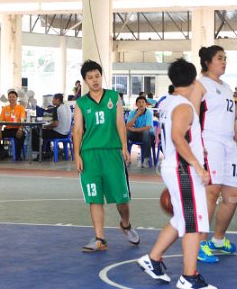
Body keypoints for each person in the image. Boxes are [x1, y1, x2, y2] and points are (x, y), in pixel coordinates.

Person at [137, 58, 216, 289]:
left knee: (181, 219)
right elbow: (178, 138)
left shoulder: (168, 102)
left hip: (177, 167)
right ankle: (189, 278)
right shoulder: (183, 106)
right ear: (193, 79)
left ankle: (153, 259)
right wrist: (198, 166)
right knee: (193, 225)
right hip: (184, 169)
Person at [73, 60, 139, 252]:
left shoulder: (113, 97)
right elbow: (77, 131)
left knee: (121, 198)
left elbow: (120, 123)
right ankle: (100, 238)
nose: (95, 80)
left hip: (112, 153)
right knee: (94, 198)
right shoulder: (81, 103)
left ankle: (125, 224)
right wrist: (77, 155)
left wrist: (125, 146)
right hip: (90, 154)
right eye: (90, 77)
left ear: (102, 76)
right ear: (85, 81)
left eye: (97, 76)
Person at [195, 45, 237, 263]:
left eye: (225, 58)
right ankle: (199, 244)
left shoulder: (225, 87)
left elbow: (230, 116)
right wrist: (197, 144)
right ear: (208, 62)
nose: (224, 62)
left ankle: (218, 239)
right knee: (211, 192)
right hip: (210, 141)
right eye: (219, 58)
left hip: (227, 144)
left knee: (234, 193)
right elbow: (191, 115)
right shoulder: (199, 85)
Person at [32, 93, 71, 161]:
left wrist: (45, 126)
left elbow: (55, 124)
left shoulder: (57, 109)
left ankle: (39, 153)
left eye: (53, 99)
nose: (52, 101)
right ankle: (47, 152)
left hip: (59, 134)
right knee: (47, 132)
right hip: (66, 134)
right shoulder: (67, 107)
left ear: (57, 99)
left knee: (36, 131)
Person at [0, 90, 26, 160]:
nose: (11, 98)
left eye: (13, 97)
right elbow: (1, 121)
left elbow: (23, 120)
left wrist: (20, 129)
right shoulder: (5, 108)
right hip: (7, 130)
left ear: (16, 98)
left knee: (22, 136)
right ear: (8, 98)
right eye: (10, 97)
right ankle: (1, 152)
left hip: (17, 130)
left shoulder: (21, 108)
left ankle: (18, 155)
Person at [126, 96, 155, 168]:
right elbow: (128, 126)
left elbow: (148, 127)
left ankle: (146, 160)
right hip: (137, 135)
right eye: (139, 102)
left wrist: (134, 129)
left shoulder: (149, 113)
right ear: (136, 104)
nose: (141, 104)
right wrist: (136, 115)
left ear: (146, 104)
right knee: (125, 133)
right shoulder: (132, 112)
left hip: (149, 135)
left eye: (143, 102)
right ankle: (126, 158)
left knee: (146, 132)